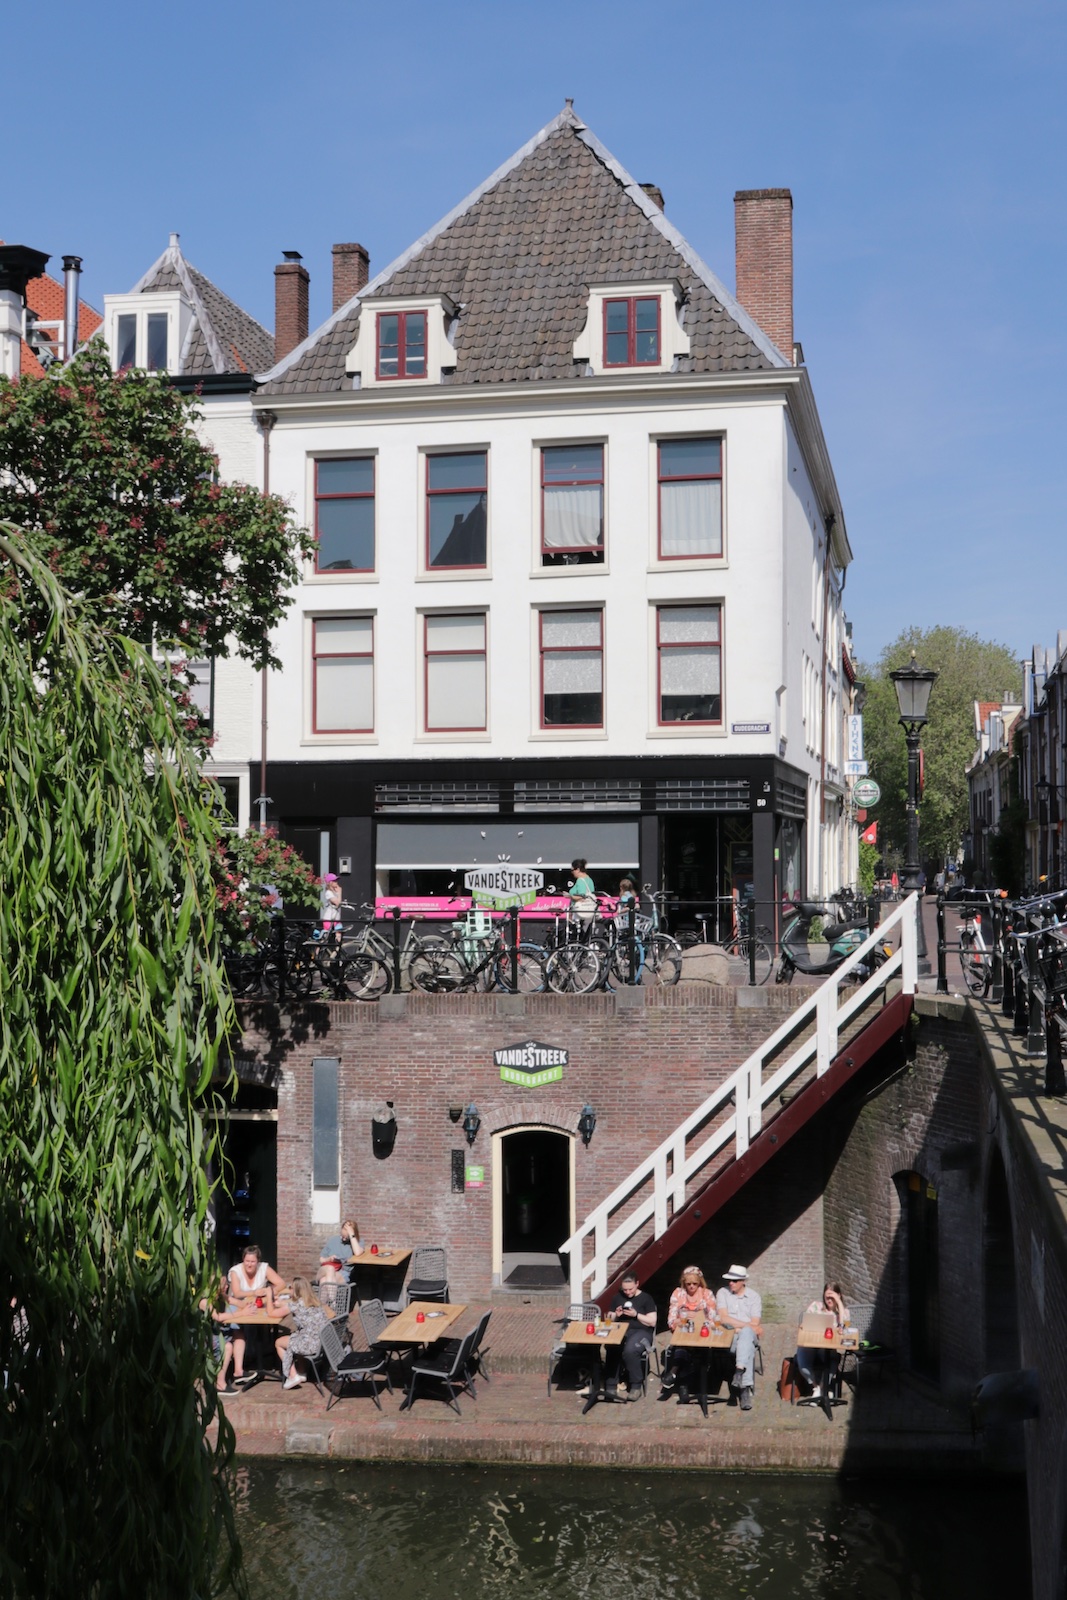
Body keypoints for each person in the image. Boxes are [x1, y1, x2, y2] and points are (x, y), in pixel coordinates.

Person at [227, 1244, 288, 1384]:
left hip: (258, 1305)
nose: (249, 1264)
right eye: (247, 1261)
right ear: (243, 1260)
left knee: (267, 1319)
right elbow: (237, 1293)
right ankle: (242, 1366)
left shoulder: (264, 1268)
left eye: (252, 1261)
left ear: (258, 1261)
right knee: (238, 1328)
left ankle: (260, 1357)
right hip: (239, 1306)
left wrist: (269, 1292)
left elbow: (281, 1283)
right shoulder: (235, 1271)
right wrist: (255, 1292)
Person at [658, 1265, 717, 1404]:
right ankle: (683, 1386)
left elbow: (713, 1318)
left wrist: (698, 1315)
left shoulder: (707, 1294)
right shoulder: (678, 1294)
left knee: (685, 1349)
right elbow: (671, 1320)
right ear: (683, 1282)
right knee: (683, 1347)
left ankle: (674, 1374)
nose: (691, 1287)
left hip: (702, 1331)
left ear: (700, 1282)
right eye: (688, 1283)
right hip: (684, 1332)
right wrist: (682, 1319)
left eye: (695, 1284)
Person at [716, 1265, 763, 1411]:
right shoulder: (722, 1293)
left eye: (735, 1281)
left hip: (746, 1336)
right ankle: (744, 1390)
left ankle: (739, 1373)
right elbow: (723, 1318)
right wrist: (747, 1326)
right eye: (730, 1280)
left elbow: (756, 1323)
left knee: (746, 1336)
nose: (731, 1283)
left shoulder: (754, 1296)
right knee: (747, 1347)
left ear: (743, 1281)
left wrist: (744, 1328)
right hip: (729, 1337)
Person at [604, 1271, 657, 1400]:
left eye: (630, 1289)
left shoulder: (646, 1298)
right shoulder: (617, 1297)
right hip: (621, 1330)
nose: (627, 1292)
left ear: (637, 1284)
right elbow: (610, 1317)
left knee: (630, 1350)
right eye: (625, 1289)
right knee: (611, 1346)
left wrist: (636, 1315)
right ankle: (611, 1385)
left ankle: (636, 1385)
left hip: (642, 1331)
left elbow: (652, 1321)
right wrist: (616, 1314)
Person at [794, 1282, 850, 1400]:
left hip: (828, 1347)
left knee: (833, 1359)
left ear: (839, 1295)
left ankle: (823, 1387)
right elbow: (805, 1324)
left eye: (832, 1297)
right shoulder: (816, 1306)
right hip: (811, 1344)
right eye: (827, 1297)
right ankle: (816, 1387)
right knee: (802, 1358)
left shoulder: (843, 1312)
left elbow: (844, 1327)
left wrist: (838, 1303)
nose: (829, 1300)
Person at [275, 1277, 331, 1390]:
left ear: (296, 1291)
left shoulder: (296, 1305)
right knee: (297, 1335)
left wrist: (268, 1295)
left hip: (310, 1345)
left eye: (290, 1288)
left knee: (279, 1342)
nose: (289, 1289)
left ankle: (293, 1375)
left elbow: (273, 1313)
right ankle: (302, 1371)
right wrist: (282, 1303)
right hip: (321, 1343)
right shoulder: (315, 1301)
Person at [318, 1218, 364, 1284]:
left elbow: (357, 1253)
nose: (344, 1239)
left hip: (342, 1272)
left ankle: (328, 1294)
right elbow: (321, 1259)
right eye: (342, 1236)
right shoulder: (333, 1240)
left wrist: (351, 1234)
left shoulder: (358, 1242)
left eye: (346, 1237)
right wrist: (329, 1259)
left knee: (324, 1280)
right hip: (326, 1268)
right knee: (330, 1269)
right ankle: (332, 1294)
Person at [567, 858, 597, 925]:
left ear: (577, 869)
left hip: (580, 913)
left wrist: (570, 896)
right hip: (589, 911)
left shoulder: (580, 880)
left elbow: (582, 896)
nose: (572, 873)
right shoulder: (589, 880)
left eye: (572, 870)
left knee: (578, 932)